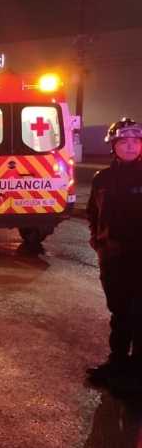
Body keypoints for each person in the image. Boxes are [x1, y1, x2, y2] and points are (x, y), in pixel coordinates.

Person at [86, 118, 142, 393]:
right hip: (112, 259)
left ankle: (136, 369)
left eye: (135, 141)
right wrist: (97, 240)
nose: (130, 146)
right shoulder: (102, 179)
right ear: (113, 146)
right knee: (119, 313)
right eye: (124, 142)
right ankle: (117, 362)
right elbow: (93, 213)